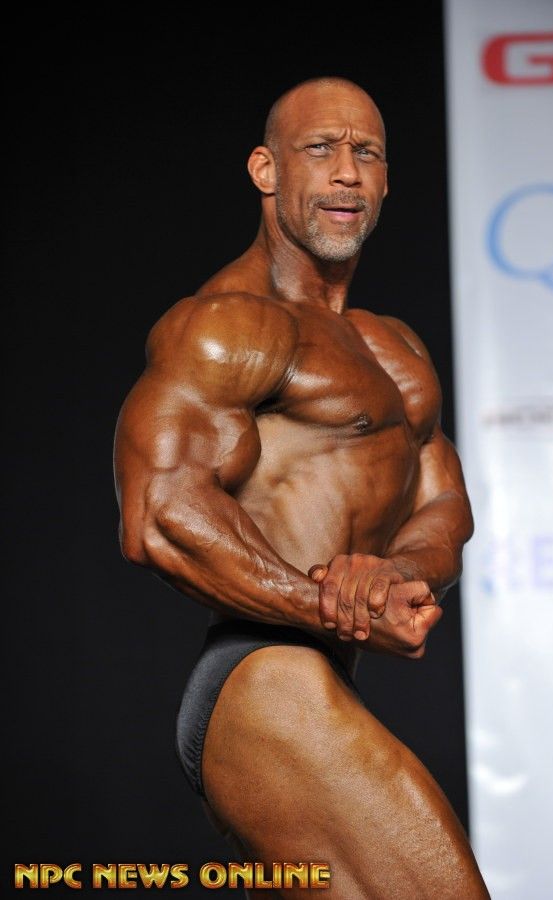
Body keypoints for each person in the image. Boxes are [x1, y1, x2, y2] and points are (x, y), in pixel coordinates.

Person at [113, 76, 490, 899]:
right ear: (266, 169)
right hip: (264, 679)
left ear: (386, 180)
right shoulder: (228, 324)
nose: (347, 171)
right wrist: (335, 606)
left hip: (326, 679)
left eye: (367, 153)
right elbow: (159, 516)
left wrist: (397, 575)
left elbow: (443, 509)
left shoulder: (396, 347)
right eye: (320, 149)